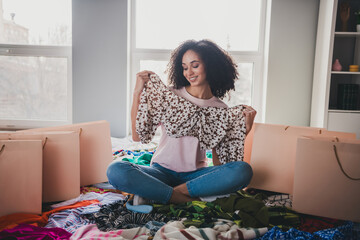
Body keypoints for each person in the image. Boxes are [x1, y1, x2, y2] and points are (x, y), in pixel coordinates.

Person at [107, 39, 256, 205]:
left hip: (195, 178)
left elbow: (220, 164)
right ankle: (186, 200)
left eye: (195, 65)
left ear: (211, 65)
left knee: (243, 171)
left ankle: (163, 194)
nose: (188, 72)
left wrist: (243, 131)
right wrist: (137, 93)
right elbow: (136, 136)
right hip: (160, 172)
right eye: (184, 67)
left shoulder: (220, 109)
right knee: (116, 170)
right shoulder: (169, 96)